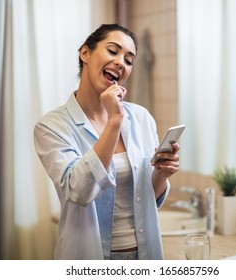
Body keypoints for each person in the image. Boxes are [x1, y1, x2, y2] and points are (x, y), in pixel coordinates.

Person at [33, 23, 181, 260]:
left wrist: (161, 174)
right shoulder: (52, 126)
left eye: (129, 60)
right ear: (85, 53)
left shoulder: (141, 118)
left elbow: (147, 199)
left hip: (144, 255)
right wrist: (114, 121)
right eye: (113, 51)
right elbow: (78, 191)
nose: (121, 63)